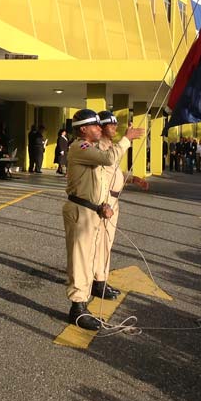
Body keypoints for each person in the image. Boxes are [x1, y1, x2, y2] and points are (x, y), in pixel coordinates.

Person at [62, 108, 138, 331]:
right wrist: (127, 139)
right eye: (95, 125)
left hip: (91, 210)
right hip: (80, 213)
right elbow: (108, 158)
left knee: (90, 257)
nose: (100, 128)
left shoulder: (90, 148)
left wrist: (102, 205)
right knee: (81, 260)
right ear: (83, 129)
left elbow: (100, 182)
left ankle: (83, 303)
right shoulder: (80, 147)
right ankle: (77, 309)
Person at [93, 111, 145, 300]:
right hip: (105, 202)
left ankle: (101, 280)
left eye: (116, 124)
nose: (115, 127)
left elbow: (114, 172)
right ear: (101, 127)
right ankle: (98, 282)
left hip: (114, 201)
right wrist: (127, 139)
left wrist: (132, 179)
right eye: (111, 124)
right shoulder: (99, 148)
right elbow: (101, 174)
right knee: (101, 244)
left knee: (107, 243)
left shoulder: (110, 146)